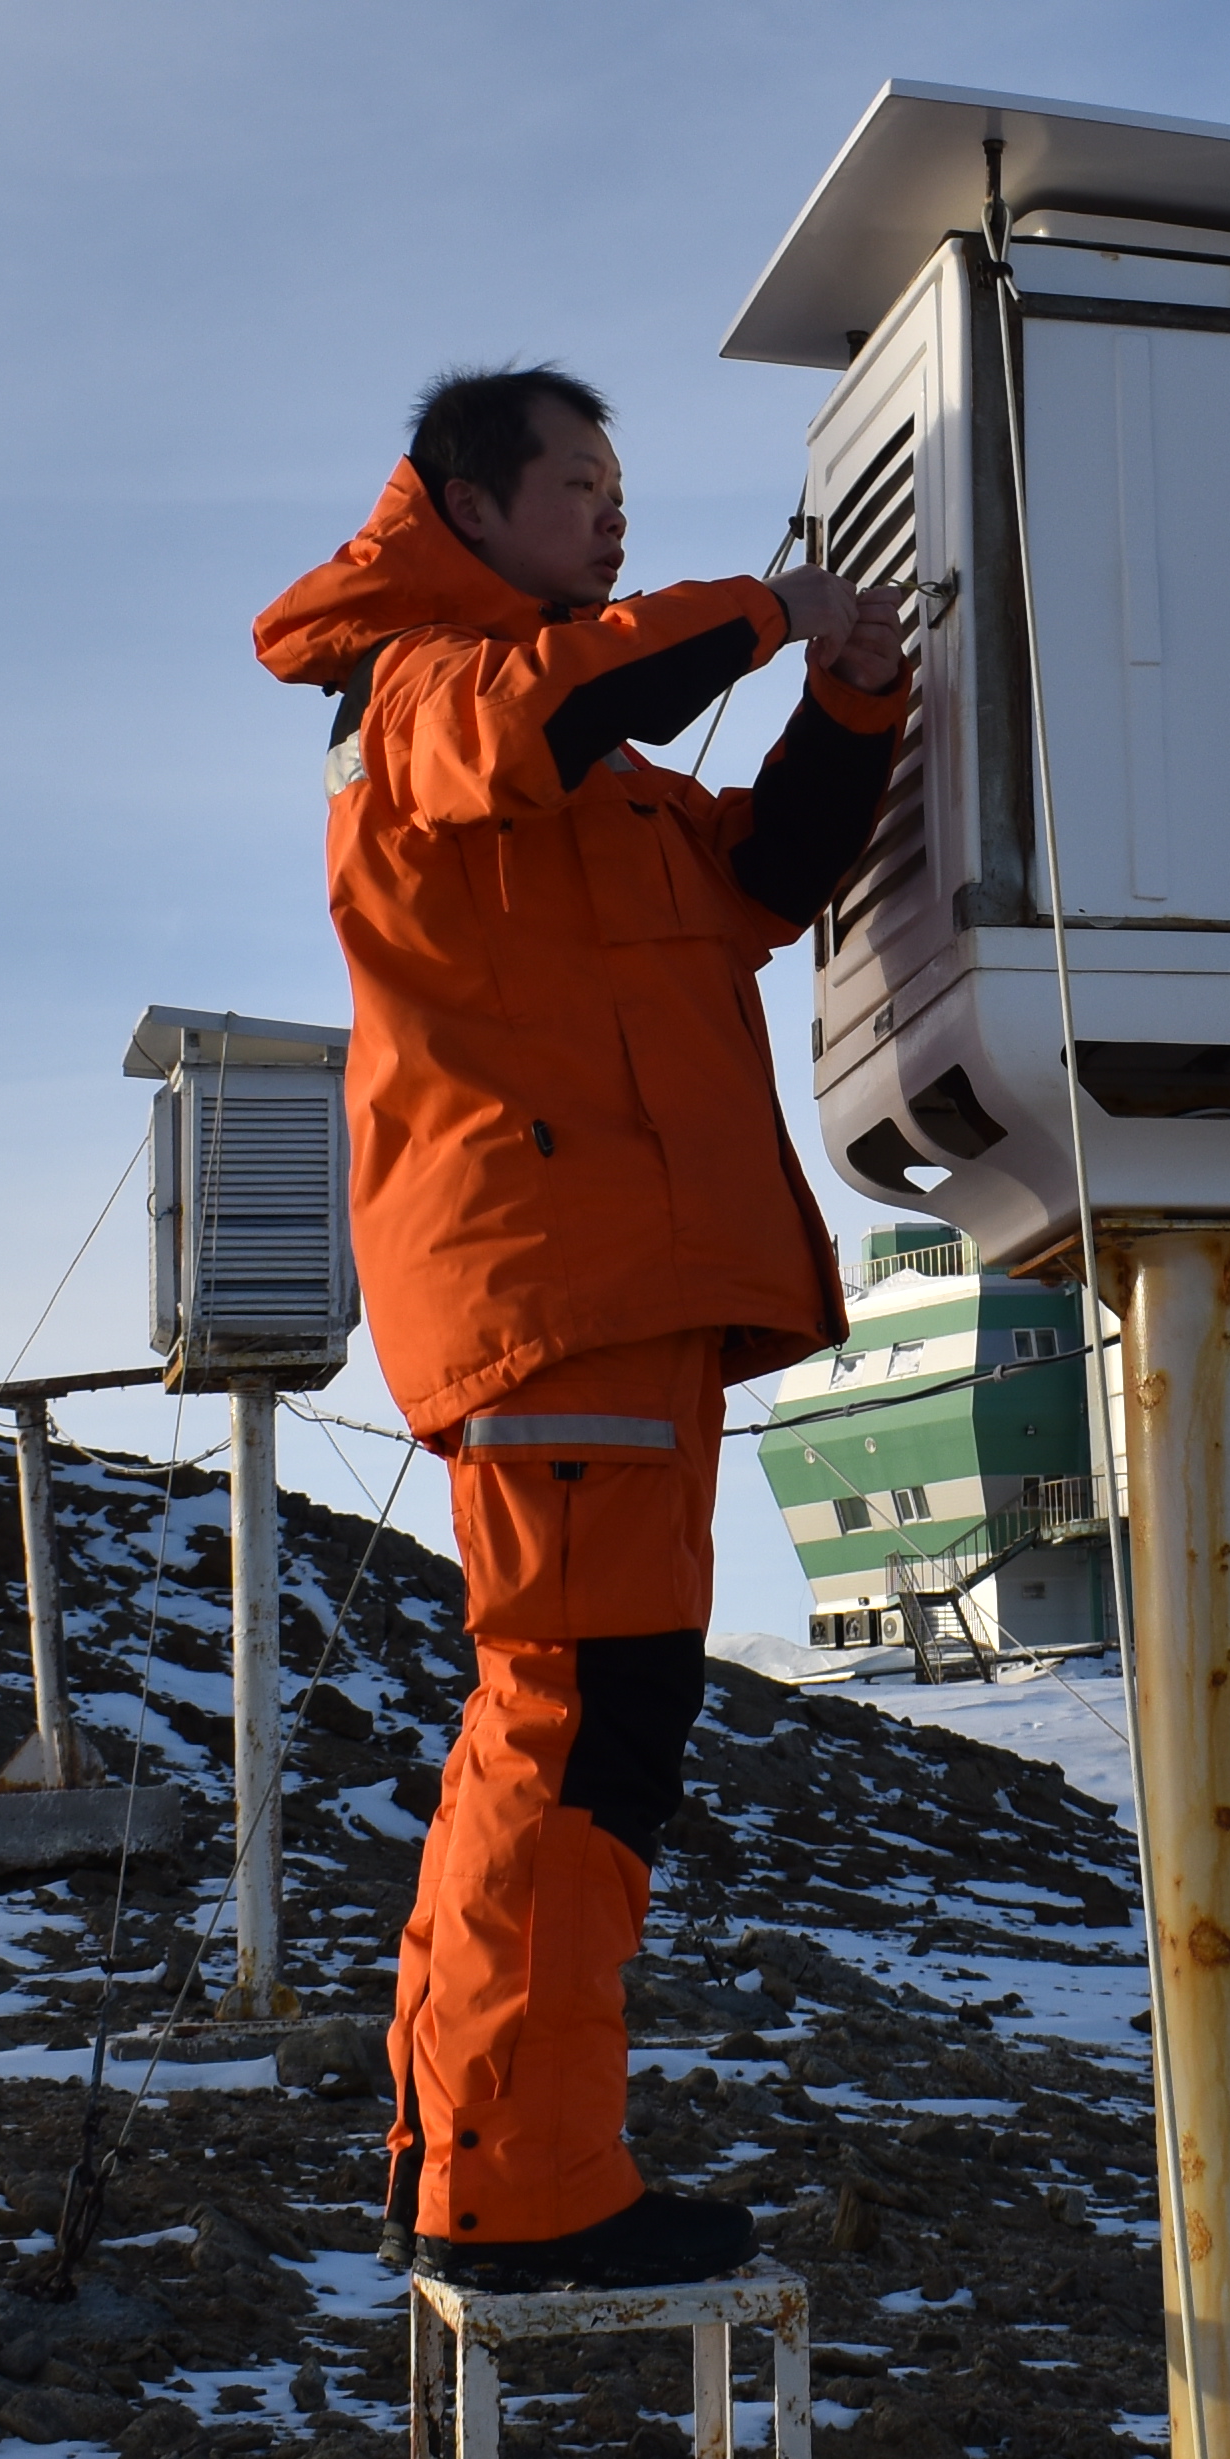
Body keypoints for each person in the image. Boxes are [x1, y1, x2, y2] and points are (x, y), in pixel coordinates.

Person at [252, 364, 913, 2289]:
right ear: (462, 505)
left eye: (620, 486)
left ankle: (460, 2149)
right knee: (584, 1716)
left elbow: (761, 877)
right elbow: (553, 703)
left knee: (558, 1717)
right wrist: (778, 606)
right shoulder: (424, 692)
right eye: (575, 483)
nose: (611, 514)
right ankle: (526, 2187)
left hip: (604, 1298)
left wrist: (854, 695)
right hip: (559, 1287)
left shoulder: (578, 778)